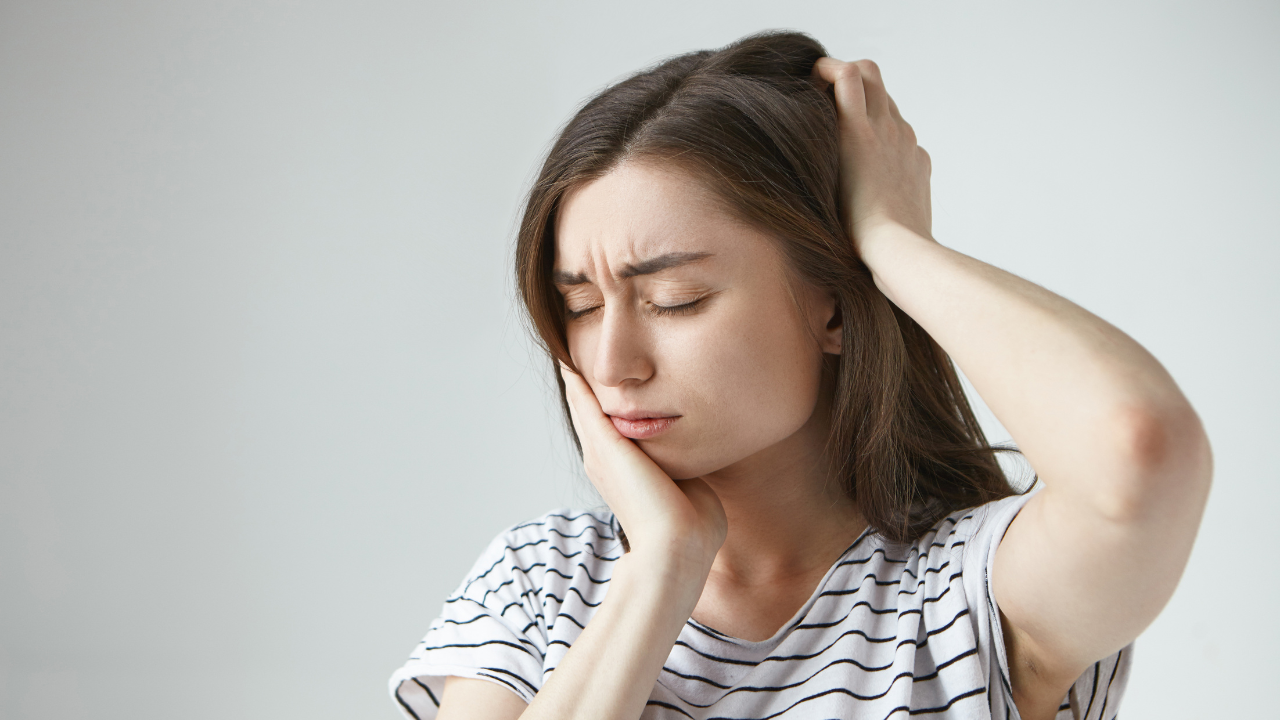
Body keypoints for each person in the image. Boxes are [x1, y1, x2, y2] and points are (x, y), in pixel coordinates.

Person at [389, 30, 1211, 720]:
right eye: (580, 305)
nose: (612, 365)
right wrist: (664, 566)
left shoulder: (969, 595)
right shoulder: (544, 582)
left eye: (676, 300)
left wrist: (891, 244)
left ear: (833, 310)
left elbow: (1140, 449)